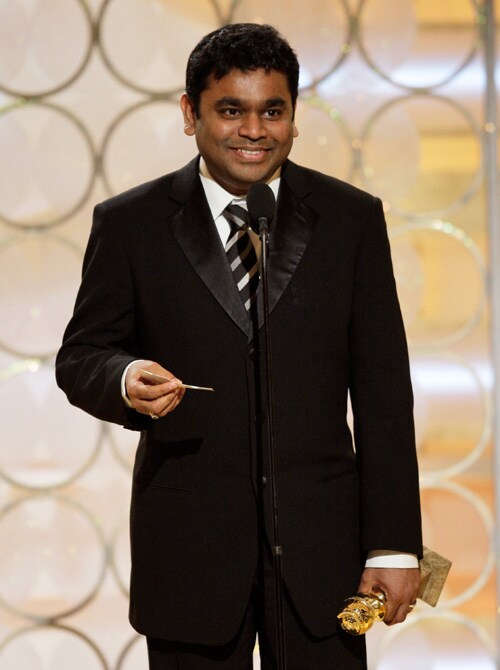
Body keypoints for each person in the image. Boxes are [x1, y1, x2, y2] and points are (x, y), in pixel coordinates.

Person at [56, 23, 422, 670]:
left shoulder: (351, 220)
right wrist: (125, 375)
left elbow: (384, 395)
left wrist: (393, 547)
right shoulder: (130, 225)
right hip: (189, 556)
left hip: (323, 559)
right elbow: (82, 355)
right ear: (190, 113)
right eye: (231, 110)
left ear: (293, 118)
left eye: (272, 111)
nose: (254, 129)